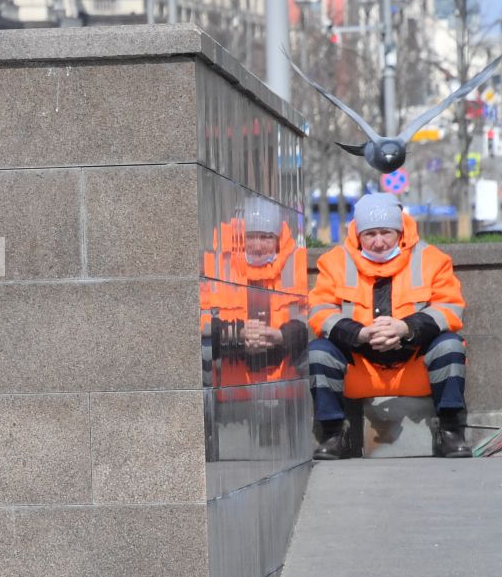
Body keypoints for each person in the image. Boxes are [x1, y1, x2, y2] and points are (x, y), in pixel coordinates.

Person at [307, 192, 469, 459]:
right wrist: (358, 333)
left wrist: (405, 329)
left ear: (400, 232)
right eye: (370, 234)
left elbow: (449, 307)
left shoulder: (432, 259)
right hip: (359, 363)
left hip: (413, 362)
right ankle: (334, 434)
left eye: (386, 233)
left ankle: (450, 432)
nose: (379, 242)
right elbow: (320, 310)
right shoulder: (334, 261)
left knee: (450, 346)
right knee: (319, 351)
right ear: (357, 234)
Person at [201, 197, 309, 389]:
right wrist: (238, 333)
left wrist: (282, 335)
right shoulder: (214, 267)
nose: (257, 246)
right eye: (250, 236)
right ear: (239, 235)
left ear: (278, 239)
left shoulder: (296, 265)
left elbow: (313, 318)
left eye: (266, 237)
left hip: (288, 388)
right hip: (228, 392)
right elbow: (197, 323)